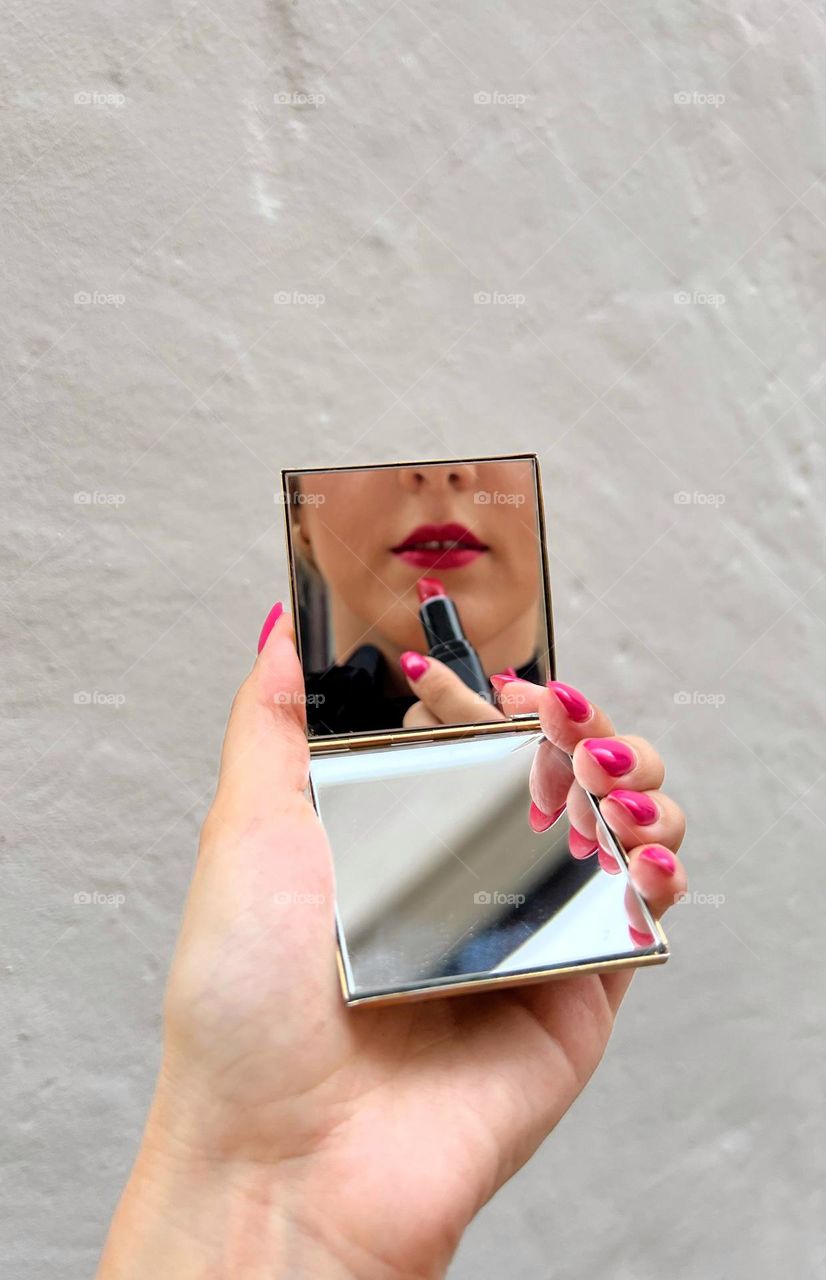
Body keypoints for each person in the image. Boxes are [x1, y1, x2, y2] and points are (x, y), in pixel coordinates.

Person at [97, 606, 687, 1279]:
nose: (440, 490)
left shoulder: (546, 773)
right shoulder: (310, 805)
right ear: (306, 533)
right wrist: (252, 1164)